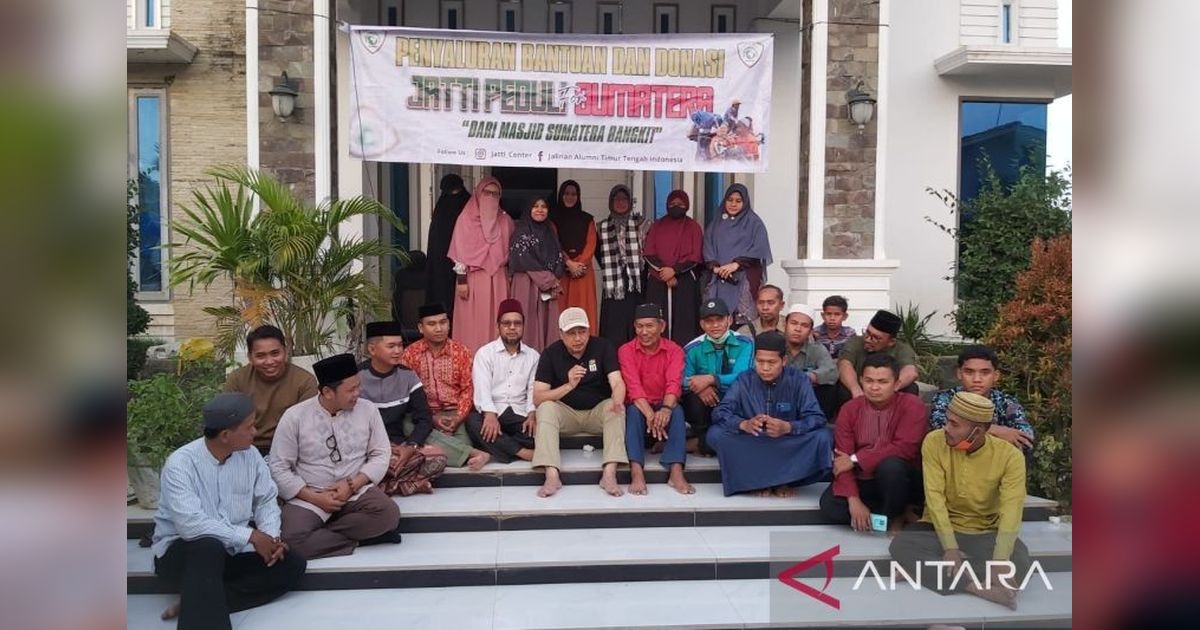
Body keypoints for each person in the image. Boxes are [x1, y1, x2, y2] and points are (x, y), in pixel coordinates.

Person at [152, 393, 306, 629]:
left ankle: (196, 601)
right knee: (208, 546)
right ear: (225, 435)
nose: (255, 432)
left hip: (230, 552)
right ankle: (203, 608)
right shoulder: (180, 464)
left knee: (292, 563)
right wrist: (251, 536)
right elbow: (190, 525)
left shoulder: (251, 455)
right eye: (249, 426)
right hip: (183, 553)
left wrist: (271, 538)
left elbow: (265, 500)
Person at [889, 391, 1031, 610]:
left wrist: (1000, 559)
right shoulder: (934, 442)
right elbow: (935, 499)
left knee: (1019, 562)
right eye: (947, 420)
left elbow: (1012, 510)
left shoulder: (1010, 456)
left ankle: (925, 571)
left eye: (954, 424)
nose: (946, 428)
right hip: (939, 527)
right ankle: (974, 586)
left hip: (984, 529)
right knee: (901, 546)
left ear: (977, 431)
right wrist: (950, 548)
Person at [269, 354, 402, 560]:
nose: (357, 393)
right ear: (327, 392)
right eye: (351, 390)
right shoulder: (295, 416)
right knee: (291, 539)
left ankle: (322, 536)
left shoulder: (368, 410)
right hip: (311, 494)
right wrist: (315, 498)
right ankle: (358, 539)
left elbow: (380, 453)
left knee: (388, 514)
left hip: (355, 491)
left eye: (358, 386)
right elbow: (279, 466)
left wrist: (352, 485)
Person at [708, 331, 832, 497]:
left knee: (823, 436)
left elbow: (817, 417)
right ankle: (771, 480)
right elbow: (720, 412)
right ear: (754, 360)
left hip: (786, 441)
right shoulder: (744, 379)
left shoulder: (799, 379)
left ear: (784, 361)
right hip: (754, 439)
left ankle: (775, 480)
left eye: (772, 362)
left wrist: (788, 427)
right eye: (760, 362)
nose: (765, 368)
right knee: (715, 434)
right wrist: (743, 424)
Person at [818, 355, 926, 534]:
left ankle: (896, 515)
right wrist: (853, 499)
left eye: (882, 382)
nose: (874, 387)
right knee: (830, 506)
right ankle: (883, 514)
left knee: (891, 467)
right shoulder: (850, 409)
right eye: (869, 381)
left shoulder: (912, 405)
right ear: (861, 380)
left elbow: (905, 448)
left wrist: (856, 459)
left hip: (899, 477)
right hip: (863, 478)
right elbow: (842, 457)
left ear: (897, 384)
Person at [531, 307, 628, 498]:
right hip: (566, 414)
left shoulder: (603, 347)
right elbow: (538, 397)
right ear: (561, 334)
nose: (577, 338)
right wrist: (569, 385)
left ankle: (609, 473)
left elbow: (617, 382)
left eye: (582, 332)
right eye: (571, 333)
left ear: (589, 330)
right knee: (546, 408)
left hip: (596, 413)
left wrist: (618, 399)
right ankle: (551, 474)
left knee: (615, 406)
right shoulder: (550, 353)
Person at [357, 321, 449, 496]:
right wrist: (383, 448)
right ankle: (405, 484)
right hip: (367, 449)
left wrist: (411, 446)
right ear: (372, 349)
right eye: (391, 346)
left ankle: (385, 486)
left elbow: (424, 418)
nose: (398, 351)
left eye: (400, 345)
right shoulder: (356, 378)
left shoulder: (408, 376)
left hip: (401, 447)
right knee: (362, 466)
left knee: (438, 457)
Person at [401, 303, 491, 471]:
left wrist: (457, 419)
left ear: (449, 324)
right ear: (420, 327)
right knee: (407, 425)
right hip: (425, 415)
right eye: (432, 324)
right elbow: (408, 393)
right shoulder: (410, 354)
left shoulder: (462, 352)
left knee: (462, 439)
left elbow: (468, 389)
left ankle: (430, 450)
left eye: (443, 322)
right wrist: (432, 418)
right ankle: (469, 453)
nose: (439, 328)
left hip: (455, 414)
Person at [618, 303, 693, 496]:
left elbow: (674, 383)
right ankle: (636, 471)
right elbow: (633, 387)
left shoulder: (675, 350)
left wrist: (665, 410)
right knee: (633, 412)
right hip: (640, 405)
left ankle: (676, 471)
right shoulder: (626, 350)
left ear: (662, 326)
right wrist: (650, 415)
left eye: (650, 326)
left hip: (663, 403)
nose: (644, 332)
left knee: (677, 411)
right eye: (639, 326)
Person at [929, 345, 1035, 468]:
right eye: (969, 372)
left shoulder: (1006, 402)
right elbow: (940, 428)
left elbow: (1026, 437)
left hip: (995, 466)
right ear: (959, 373)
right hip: (954, 466)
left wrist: (969, 434)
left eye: (985, 373)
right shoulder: (946, 398)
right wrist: (995, 430)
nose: (977, 379)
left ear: (995, 376)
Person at [223, 325, 318, 453]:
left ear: (285, 351)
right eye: (260, 356)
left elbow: (307, 427)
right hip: (245, 447)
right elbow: (228, 422)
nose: (269, 361)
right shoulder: (237, 379)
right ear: (250, 357)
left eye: (275, 353)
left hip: (290, 446)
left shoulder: (304, 381)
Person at [466, 299, 540, 464]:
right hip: (494, 412)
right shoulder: (485, 353)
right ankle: (523, 453)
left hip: (519, 414)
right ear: (498, 326)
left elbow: (532, 389)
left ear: (523, 326)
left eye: (517, 323)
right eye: (506, 323)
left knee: (538, 432)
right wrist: (489, 414)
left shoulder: (533, 356)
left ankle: (498, 448)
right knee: (472, 422)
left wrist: (531, 414)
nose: (512, 327)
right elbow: (482, 388)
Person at [448, 176, 514, 352]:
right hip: (473, 281)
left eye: (495, 194)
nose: (491, 197)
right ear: (477, 193)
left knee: (498, 322)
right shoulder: (465, 220)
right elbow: (459, 252)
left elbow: (512, 254)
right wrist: (462, 281)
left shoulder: (506, 221)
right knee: (473, 324)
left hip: (498, 280)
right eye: (487, 193)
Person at [682, 298, 755, 456]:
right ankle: (703, 439)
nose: (715, 325)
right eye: (709, 321)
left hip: (734, 401)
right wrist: (700, 388)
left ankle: (698, 444)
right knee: (693, 398)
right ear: (702, 324)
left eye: (719, 320)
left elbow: (743, 377)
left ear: (729, 320)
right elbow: (682, 380)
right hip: (707, 405)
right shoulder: (692, 348)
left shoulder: (745, 343)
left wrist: (712, 379)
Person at [702, 183, 773, 326]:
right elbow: (707, 247)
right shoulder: (716, 224)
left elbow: (759, 248)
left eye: (738, 201)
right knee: (717, 320)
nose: (733, 204)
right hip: (719, 280)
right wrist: (716, 268)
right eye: (730, 200)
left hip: (743, 278)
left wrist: (735, 265)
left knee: (744, 324)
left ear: (745, 202)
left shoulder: (754, 223)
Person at [643, 189, 704, 345]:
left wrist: (674, 271)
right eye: (673, 203)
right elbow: (649, 253)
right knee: (657, 321)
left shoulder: (693, 227)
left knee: (684, 323)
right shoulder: (657, 226)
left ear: (687, 205)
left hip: (685, 281)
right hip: (658, 280)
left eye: (680, 203)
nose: (676, 206)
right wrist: (665, 272)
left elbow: (695, 256)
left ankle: (683, 356)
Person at [508, 196, 565, 352]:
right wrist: (549, 279)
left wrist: (553, 278)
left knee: (548, 327)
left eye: (543, 206)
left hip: (548, 287)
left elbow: (558, 256)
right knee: (528, 325)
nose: (540, 210)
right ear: (528, 209)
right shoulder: (521, 231)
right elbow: (523, 259)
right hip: (526, 284)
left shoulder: (550, 231)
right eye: (535, 206)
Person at [837, 309, 920, 408]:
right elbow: (845, 365)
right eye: (867, 333)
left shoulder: (902, 349)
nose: (868, 339)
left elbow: (910, 372)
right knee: (841, 389)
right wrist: (856, 389)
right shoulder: (855, 342)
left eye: (876, 338)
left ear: (891, 342)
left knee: (911, 388)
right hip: (860, 390)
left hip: (888, 392)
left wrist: (888, 390)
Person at [596, 184, 646, 346]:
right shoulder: (601, 227)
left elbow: (648, 252)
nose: (620, 202)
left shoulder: (642, 224)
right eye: (616, 199)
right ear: (611, 202)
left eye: (624, 199)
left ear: (630, 202)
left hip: (635, 283)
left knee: (635, 324)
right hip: (613, 286)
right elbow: (598, 255)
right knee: (613, 327)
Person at [550, 180, 599, 335]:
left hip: (583, 272)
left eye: (573, 194)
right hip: (562, 272)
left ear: (578, 196)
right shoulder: (552, 219)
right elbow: (555, 243)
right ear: (561, 195)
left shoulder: (588, 219)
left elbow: (591, 243)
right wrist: (568, 262)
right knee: (561, 310)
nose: (570, 197)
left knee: (584, 309)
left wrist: (579, 264)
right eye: (566, 193)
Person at [426, 173, 471, 322]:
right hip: (441, 264)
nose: (453, 196)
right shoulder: (441, 208)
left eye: (456, 192)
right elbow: (435, 242)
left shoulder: (469, 206)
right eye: (450, 192)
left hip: (465, 265)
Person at [781, 303, 838, 419]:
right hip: (778, 394)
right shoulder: (775, 344)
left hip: (806, 396)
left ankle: (817, 421)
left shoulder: (816, 349)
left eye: (804, 325)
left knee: (830, 389)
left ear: (811, 330)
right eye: (793, 323)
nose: (798, 329)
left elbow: (832, 371)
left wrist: (808, 377)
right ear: (785, 324)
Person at [813, 294, 857, 359]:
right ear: (823, 315)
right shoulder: (815, 333)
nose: (832, 318)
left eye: (837, 314)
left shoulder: (850, 334)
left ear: (845, 316)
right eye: (828, 314)